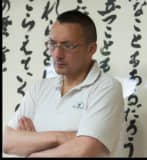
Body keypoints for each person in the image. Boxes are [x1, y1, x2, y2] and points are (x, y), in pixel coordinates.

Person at [3, 10, 124, 157]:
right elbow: (7, 140)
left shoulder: (107, 87)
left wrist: (33, 148)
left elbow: (82, 151)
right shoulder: (40, 88)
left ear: (91, 49)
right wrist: (63, 137)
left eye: (68, 46)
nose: (57, 54)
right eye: (52, 44)